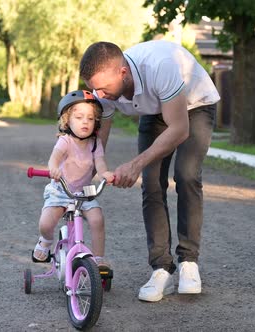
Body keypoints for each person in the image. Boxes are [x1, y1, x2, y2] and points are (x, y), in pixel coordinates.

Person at [80, 40, 220, 302]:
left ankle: (189, 262)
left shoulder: (159, 67)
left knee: (186, 175)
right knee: (152, 183)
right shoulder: (103, 91)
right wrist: (85, 174)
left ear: (122, 73)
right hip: (156, 108)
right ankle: (161, 269)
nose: (98, 93)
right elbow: (101, 138)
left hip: (194, 105)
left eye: (102, 87)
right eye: (93, 88)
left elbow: (179, 129)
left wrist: (134, 164)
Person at [31, 90, 115, 269]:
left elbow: (99, 162)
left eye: (90, 118)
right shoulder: (66, 141)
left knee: (97, 219)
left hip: (83, 193)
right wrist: (53, 168)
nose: (85, 121)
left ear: (96, 123)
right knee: (46, 222)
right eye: (79, 117)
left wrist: (104, 173)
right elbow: (55, 157)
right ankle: (45, 241)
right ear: (67, 120)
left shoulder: (95, 143)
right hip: (61, 190)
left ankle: (98, 259)